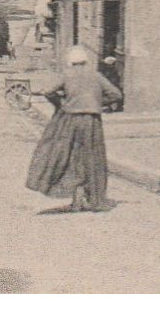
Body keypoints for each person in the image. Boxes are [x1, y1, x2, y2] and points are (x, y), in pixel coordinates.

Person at [25, 45, 123, 212]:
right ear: (85, 60)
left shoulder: (67, 74)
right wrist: (96, 103)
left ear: (71, 62)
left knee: (68, 156)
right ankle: (93, 198)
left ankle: (74, 195)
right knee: (92, 158)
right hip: (92, 121)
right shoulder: (96, 75)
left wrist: (61, 103)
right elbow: (116, 95)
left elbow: (48, 91)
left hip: (70, 119)